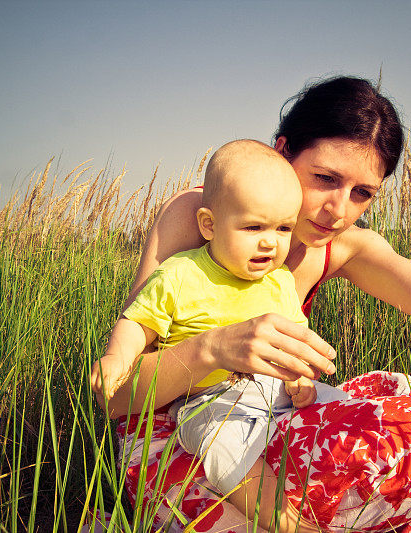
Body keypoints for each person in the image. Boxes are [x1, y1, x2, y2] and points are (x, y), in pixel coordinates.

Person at [98, 76, 411, 532]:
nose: (339, 210)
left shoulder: (341, 246)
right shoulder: (203, 219)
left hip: (275, 415)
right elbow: (116, 398)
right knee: (398, 470)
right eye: (325, 178)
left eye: (362, 193)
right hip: (184, 434)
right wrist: (212, 349)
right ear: (282, 152)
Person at [92, 139, 336, 531]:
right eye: (253, 226)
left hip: (274, 395)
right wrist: (116, 360)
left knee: (337, 403)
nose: (270, 241)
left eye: (283, 228)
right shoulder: (181, 274)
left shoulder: (279, 282)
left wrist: (303, 378)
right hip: (209, 402)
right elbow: (138, 323)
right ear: (209, 224)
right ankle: (288, 522)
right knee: (228, 455)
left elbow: (297, 344)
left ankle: (348, 474)